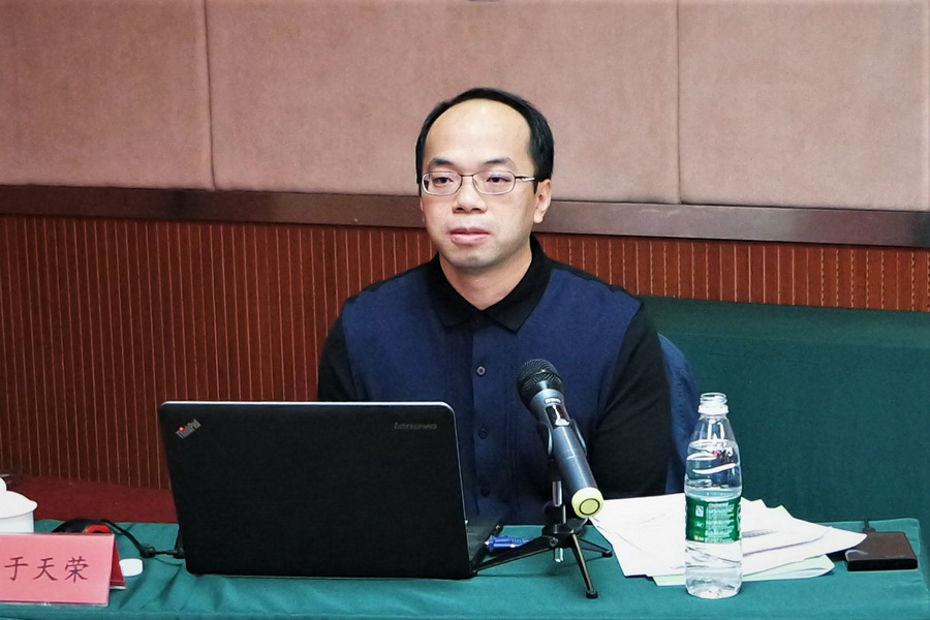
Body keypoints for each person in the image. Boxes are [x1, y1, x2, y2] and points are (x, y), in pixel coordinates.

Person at [317, 87, 671, 525]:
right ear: (421, 200)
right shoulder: (364, 330)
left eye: (497, 180)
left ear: (540, 199)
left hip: (570, 566)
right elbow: (339, 501)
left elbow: (631, 519)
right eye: (442, 180)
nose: (467, 200)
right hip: (411, 568)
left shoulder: (613, 329)